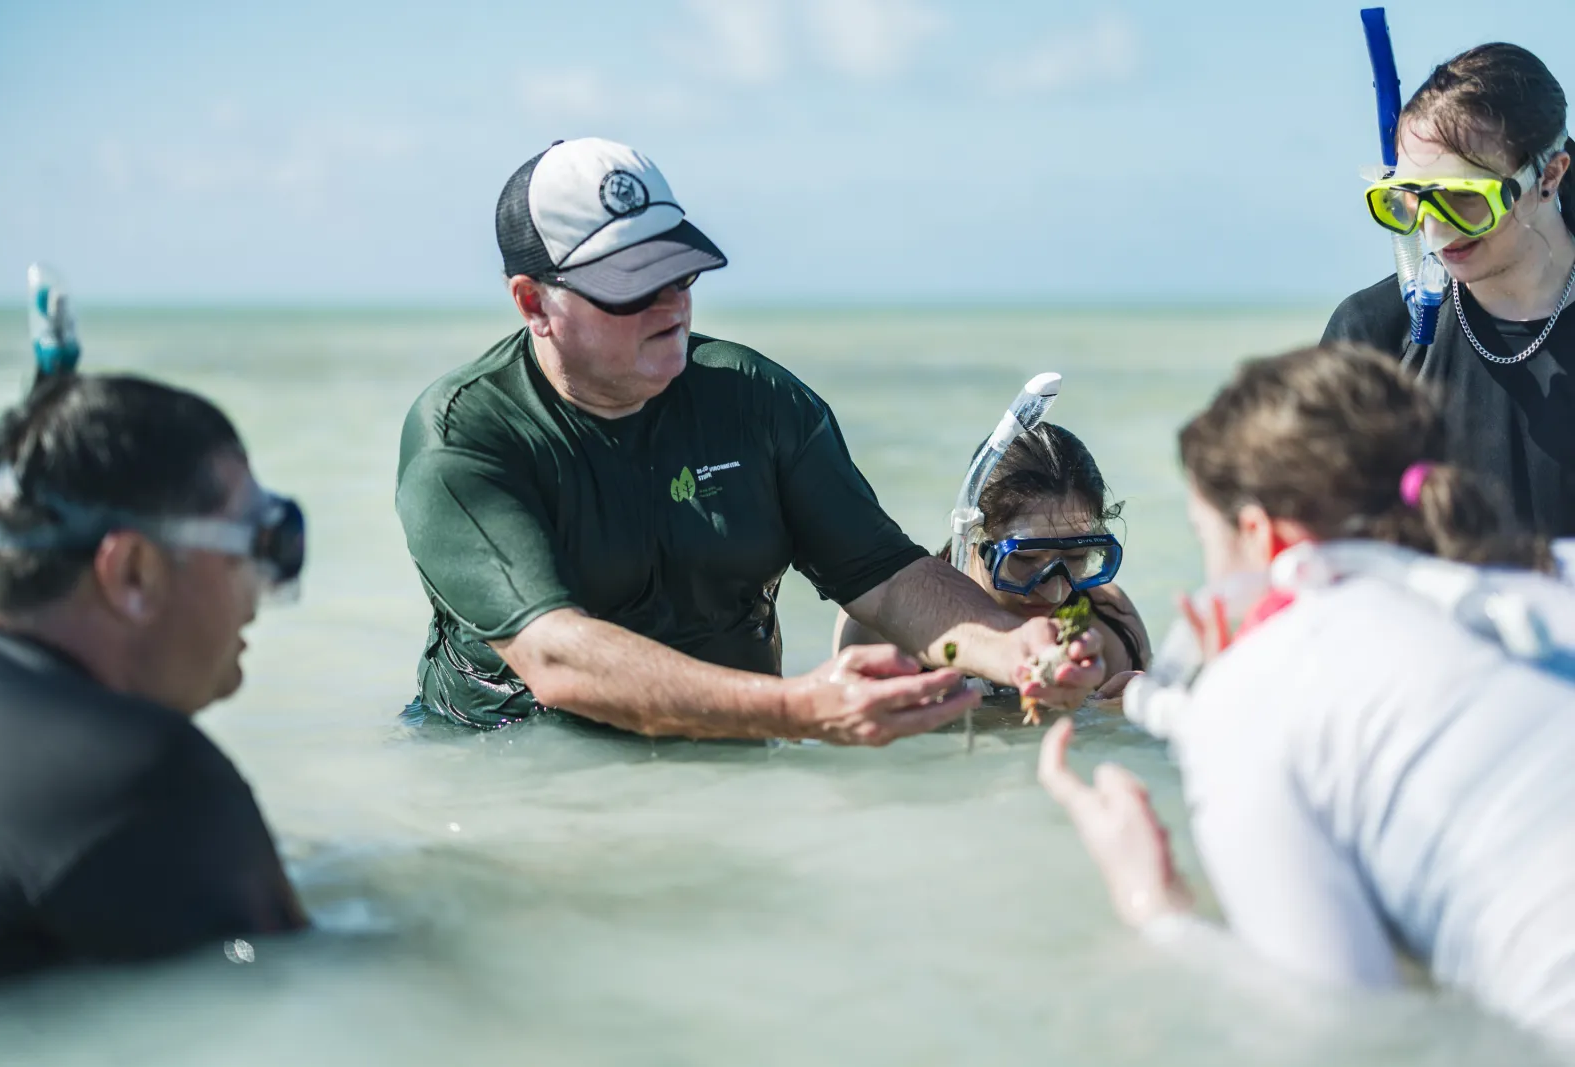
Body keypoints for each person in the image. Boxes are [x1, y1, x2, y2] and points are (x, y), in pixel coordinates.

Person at [395, 137, 1102, 743]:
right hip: (519, 766)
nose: (672, 302)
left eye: (677, 270)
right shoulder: (465, 436)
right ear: (532, 303)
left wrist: (1016, 651)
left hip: (736, 762)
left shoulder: (757, 400)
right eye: (630, 287)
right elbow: (554, 657)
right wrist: (801, 707)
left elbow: (886, 579)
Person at [1039, 344, 1575, 1043]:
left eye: (1209, 539)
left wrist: (1157, 908)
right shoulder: (1550, 571)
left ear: (1261, 535)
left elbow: (1347, 1027)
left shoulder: (1256, 691)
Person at [0, 372, 309, 976]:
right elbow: (284, 984)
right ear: (133, 572)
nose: (257, 596)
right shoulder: (144, 777)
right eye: (254, 543)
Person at [1324, 43, 1575, 537]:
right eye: (1408, 201)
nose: (1433, 232)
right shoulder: (1373, 333)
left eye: (1464, 199)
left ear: (1549, 176)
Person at [833, 424, 1149, 693]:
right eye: (1026, 560)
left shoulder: (1109, 622)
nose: (1054, 591)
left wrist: (1107, 716)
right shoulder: (884, 628)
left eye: (1078, 556)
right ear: (973, 539)